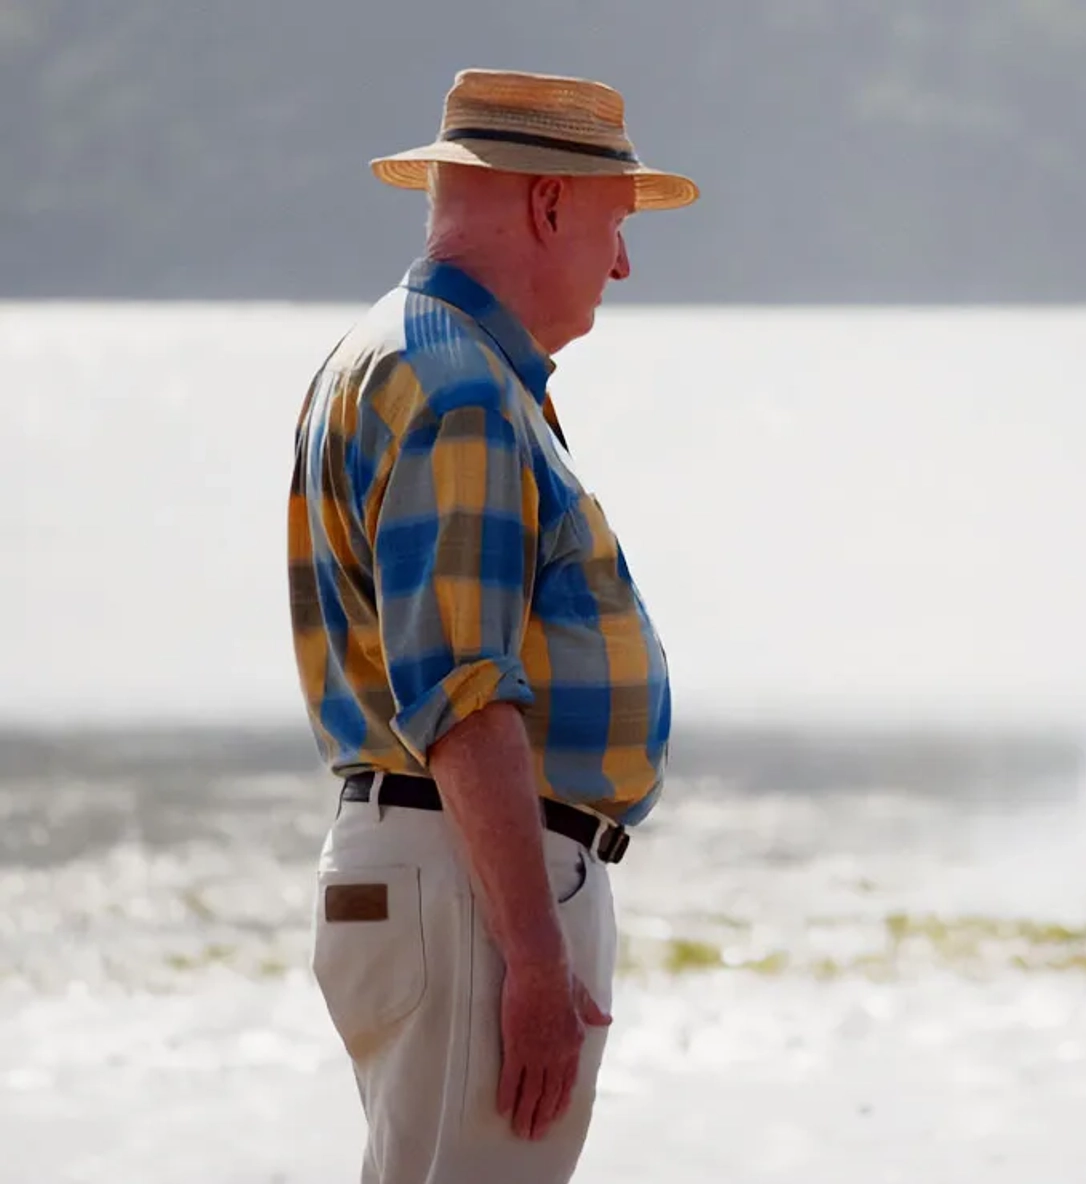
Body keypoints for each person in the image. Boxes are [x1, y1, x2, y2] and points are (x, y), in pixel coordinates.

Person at [285, 68, 697, 1183]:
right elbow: (464, 690)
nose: (622, 263)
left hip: (441, 869)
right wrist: (531, 950)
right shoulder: (458, 383)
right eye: (614, 224)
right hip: (467, 883)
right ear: (549, 203)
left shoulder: (412, 355)